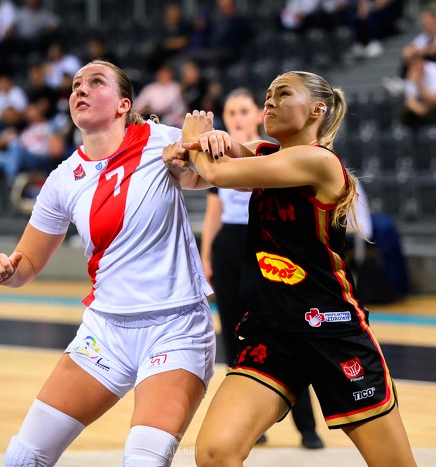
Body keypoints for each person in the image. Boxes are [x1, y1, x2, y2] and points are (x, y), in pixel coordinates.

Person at [165, 70, 416, 466]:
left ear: (318, 109)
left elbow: (216, 172)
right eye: (268, 93)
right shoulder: (267, 153)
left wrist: (193, 138)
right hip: (274, 332)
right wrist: (184, 155)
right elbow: (195, 176)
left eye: (283, 93)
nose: (270, 100)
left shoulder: (319, 161)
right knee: (214, 453)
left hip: (331, 330)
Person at [0, 60, 216, 467]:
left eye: (95, 82)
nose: (81, 90)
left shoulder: (164, 141)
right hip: (105, 331)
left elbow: (220, 175)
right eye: (76, 84)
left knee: (143, 460)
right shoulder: (62, 179)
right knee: (23, 457)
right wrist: (6, 271)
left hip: (176, 328)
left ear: (124, 104)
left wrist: (211, 145)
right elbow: (27, 265)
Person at [199, 87, 324, 450]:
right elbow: (214, 212)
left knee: (289, 332)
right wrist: (206, 257)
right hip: (229, 246)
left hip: (267, 245)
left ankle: (307, 426)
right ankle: (248, 422)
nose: (237, 118)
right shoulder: (220, 153)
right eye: (231, 112)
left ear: (257, 115)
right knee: (233, 334)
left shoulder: (272, 153)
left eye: (243, 111)